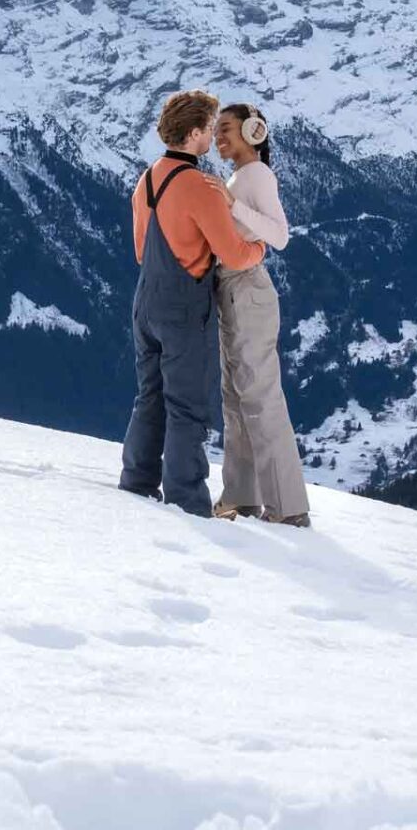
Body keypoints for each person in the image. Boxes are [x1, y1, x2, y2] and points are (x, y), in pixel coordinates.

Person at [120, 90, 265, 516]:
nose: (213, 138)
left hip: (145, 300)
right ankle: (187, 500)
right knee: (186, 406)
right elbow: (236, 254)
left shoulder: (146, 180)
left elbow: (141, 250)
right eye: (210, 128)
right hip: (184, 305)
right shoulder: (200, 187)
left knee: (149, 395)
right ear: (196, 132)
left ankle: (137, 482)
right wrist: (260, 250)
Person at [207, 103, 311, 528]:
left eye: (227, 129)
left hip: (248, 288)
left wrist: (232, 205)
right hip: (233, 289)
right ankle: (242, 498)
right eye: (216, 131)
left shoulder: (257, 176)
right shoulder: (240, 176)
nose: (219, 137)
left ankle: (288, 508)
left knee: (261, 399)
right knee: (236, 399)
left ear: (253, 131)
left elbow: (280, 234)